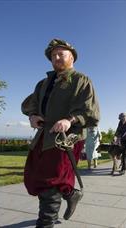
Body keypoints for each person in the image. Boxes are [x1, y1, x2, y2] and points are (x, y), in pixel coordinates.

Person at [21, 38, 100, 228]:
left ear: (71, 57)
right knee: (35, 177)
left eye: (61, 54)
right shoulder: (43, 83)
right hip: (42, 137)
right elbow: (30, 105)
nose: (56, 57)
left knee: (51, 182)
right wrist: (32, 116)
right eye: (53, 55)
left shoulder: (81, 80)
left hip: (67, 139)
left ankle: (45, 224)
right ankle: (72, 194)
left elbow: (90, 110)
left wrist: (69, 120)